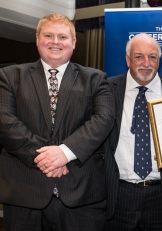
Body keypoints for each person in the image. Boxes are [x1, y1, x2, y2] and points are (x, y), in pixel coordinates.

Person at [0, 13, 115, 230]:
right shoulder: (8, 76)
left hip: (81, 197)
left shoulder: (95, 78)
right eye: (48, 35)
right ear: (37, 39)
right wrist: (47, 158)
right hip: (25, 194)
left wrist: (65, 152)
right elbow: (5, 122)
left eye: (62, 37)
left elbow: (104, 118)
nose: (55, 42)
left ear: (73, 42)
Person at [104, 33, 162, 231]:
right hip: (118, 196)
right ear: (127, 59)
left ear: (159, 60)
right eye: (139, 56)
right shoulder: (107, 89)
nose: (146, 63)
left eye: (153, 57)